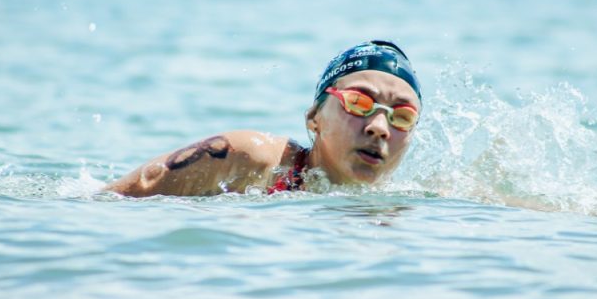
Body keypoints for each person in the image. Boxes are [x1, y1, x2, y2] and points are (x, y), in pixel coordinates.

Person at [105, 41, 422, 197]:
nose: (379, 128)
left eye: (402, 117)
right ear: (314, 118)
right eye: (358, 102)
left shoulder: (407, 208)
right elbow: (110, 203)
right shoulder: (247, 159)